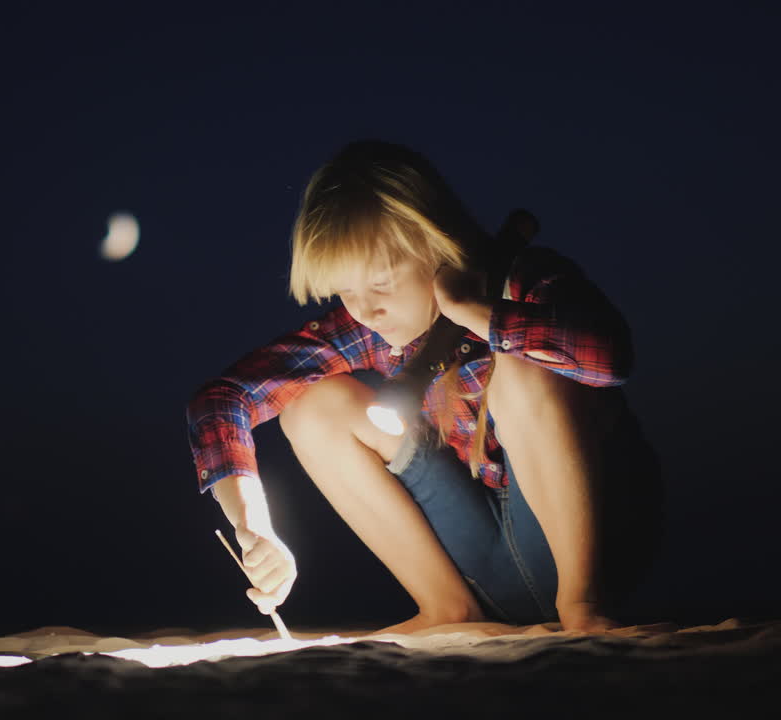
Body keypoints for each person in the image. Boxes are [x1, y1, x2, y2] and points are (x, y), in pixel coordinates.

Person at [185, 140, 664, 634]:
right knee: (313, 407)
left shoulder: (525, 280)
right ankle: (448, 612)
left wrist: (472, 313)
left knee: (523, 368)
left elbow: (611, 357)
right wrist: (253, 525)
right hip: (488, 566)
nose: (366, 310)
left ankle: (583, 608)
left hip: (600, 550)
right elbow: (221, 400)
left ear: (437, 248)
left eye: (382, 284)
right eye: (347, 292)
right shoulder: (366, 330)